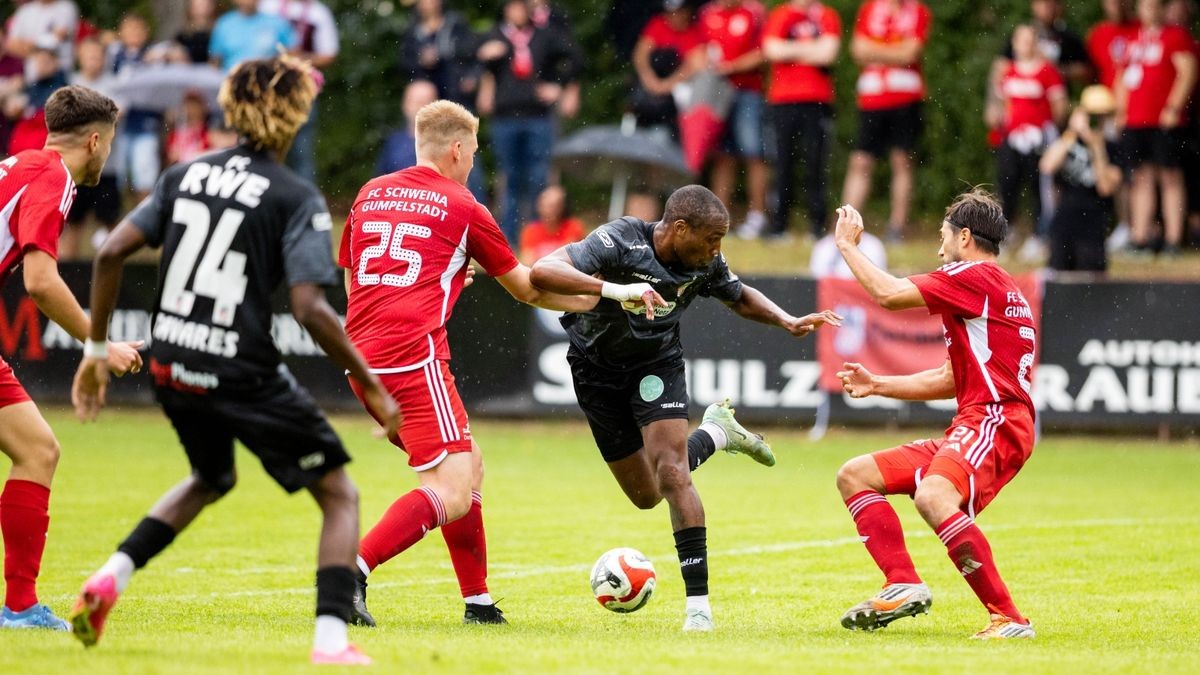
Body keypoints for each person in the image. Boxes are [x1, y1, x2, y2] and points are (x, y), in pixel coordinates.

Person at [67, 56, 398, 666]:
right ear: (295, 114)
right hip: (242, 370)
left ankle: (110, 576)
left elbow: (110, 252)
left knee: (211, 478)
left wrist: (94, 349)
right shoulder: (296, 196)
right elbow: (311, 308)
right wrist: (372, 383)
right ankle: (330, 642)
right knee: (340, 495)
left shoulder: (183, 174)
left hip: (171, 363)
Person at [529, 184, 842, 632]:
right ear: (679, 228)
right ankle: (717, 433)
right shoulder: (621, 239)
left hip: (657, 366)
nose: (717, 250)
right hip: (594, 370)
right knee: (647, 495)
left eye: (721, 241)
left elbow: (738, 295)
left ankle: (699, 610)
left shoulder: (706, 262)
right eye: (712, 239)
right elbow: (543, 271)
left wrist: (786, 319)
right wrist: (616, 291)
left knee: (673, 473)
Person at [339, 99, 593, 628]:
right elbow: (526, 289)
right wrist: (600, 300)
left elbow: (357, 280)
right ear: (456, 149)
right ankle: (349, 573)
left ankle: (477, 602)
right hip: (414, 358)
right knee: (453, 490)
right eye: (473, 154)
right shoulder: (462, 204)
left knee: (469, 462)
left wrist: (445, 277)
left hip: (362, 359)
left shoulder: (371, 192)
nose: (473, 164)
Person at [831, 192, 1038, 639]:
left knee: (933, 497)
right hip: (980, 419)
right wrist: (879, 384)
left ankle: (1008, 618)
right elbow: (951, 376)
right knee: (856, 475)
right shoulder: (996, 286)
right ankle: (902, 581)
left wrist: (847, 246)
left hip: (995, 420)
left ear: (964, 237)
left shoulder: (973, 275)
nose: (938, 249)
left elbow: (887, 294)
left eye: (943, 237)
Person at [0, 85, 141, 631]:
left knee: (37, 449)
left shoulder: (16, 164)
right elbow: (40, 282)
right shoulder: (52, 177)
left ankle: (18, 606)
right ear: (94, 140)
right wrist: (100, 346)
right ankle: (17, 608)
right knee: (37, 451)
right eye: (110, 144)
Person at [477, 0, 583, 242]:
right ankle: (509, 237)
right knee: (510, 177)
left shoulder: (545, 36)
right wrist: (483, 58)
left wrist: (559, 86)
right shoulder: (495, 36)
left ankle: (538, 235)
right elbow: (470, 67)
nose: (517, 12)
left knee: (539, 177)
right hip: (505, 117)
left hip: (537, 117)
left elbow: (575, 58)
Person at [841, 0, 933, 242]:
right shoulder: (870, 8)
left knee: (902, 161)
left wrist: (876, 51)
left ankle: (896, 227)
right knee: (861, 161)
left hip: (905, 98)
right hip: (872, 98)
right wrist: (895, 52)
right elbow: (857, 49)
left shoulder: (918, 11)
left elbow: (911, 52)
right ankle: (844, 225)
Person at [1116, 0, 1197, 256]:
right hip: (1135, 120)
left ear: (1162, 9)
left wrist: (1173, 107)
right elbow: (1122, 77)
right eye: (1145, 6)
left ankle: (1173, 238)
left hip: (1163, 120)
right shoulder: (1133, 38)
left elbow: (1188, 71)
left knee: (1170, 177)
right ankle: (1140, 237)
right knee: (1140, 178)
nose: (1149, 11)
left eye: (1153, 6)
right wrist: (1120, 110)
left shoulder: (1175, 36)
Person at [761, 0, 842, 240]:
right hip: (783, 100)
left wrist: (791, 50)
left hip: (817, 101)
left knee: (815, 163)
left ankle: (817, 226)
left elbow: (828, 53)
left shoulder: (826, 15)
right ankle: (779, 226)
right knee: (782, 162)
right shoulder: (781, 14)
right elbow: (771, 50)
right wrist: (811, 49)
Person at [988, 24, 1068, 246]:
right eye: (1021, 40)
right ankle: (1006, 229)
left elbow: (1059, 106)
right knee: (1007, 182)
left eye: (1030, 40)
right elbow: (1004, 104)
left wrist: (1046, 130)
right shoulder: (1009, 72)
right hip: (1013, 138)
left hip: (1039, 138)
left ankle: (1040, 234)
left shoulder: (1047, 72)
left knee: (1040, 186)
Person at [699, 0, 769, 237]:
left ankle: (757, 215)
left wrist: (731, 66)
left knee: (753, 153)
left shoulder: (754, 12)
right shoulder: (707, 13)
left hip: (746, 91)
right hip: (716, 91)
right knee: (722, 156)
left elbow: (763, 53)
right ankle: (720, 218)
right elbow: (698, 49)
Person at [1041, 85, 1124, 272]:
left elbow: (1106, 187)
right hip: (1064, 220)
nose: (1097, 121)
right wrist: (1072, 132)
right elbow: (1047, 165)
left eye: (1102, 116)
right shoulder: (1068, 141)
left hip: (1093, 224)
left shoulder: (1113, 148)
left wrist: (1097, 147)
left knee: (1091, 280)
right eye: (1092, 115)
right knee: (1059, 276)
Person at [259, 0, 339, 182]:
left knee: (301, 151)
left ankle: (303, 202)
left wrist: (296, 61)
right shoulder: (268, 6)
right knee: (266, 148)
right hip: (267, 90)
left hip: (301, 91)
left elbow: (329, 54)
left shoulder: (318, 13)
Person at [65, 36, 122, 259]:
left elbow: (114, 119)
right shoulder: (71, 83)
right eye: (89, 56)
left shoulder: (115, 84)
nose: (93, 60)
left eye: (97, 56)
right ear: (80, 57)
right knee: (71, 225)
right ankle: (66, 274)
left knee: (110, 224)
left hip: (105, 169)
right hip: (77, 170)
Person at [208, 0, 296, 72]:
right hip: (232, 82)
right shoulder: (224, 24)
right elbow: (215, 61)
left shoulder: (277, 22)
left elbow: (292, 55)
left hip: (268, 82)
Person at [376, 79, 438, 175]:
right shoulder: (393, 143)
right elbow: (380, 181)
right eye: (416, 102)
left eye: (426, 101)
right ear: (404, 105)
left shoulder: (449, 144)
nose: (421, 107)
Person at [520, 184, 585, 263]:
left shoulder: (573, 227)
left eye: (554, 206)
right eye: (547, 206)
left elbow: (571, 257)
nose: (549, 211)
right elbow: (527, 261)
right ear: (539, 207)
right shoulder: (531, 231)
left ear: (563, 207)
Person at [1088, 0, 1139, 90]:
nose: (1117, 6)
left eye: (1120, 1)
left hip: (1139, 94)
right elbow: (1091, 72)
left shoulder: (1142, 29)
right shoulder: (1098, 34)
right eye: (1113, 2)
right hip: (1108, 96)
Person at [176, 0, 218, 64]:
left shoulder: (218, 31)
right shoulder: (183, 34)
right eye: (198, 5)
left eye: (204, 4)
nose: (202, 8)